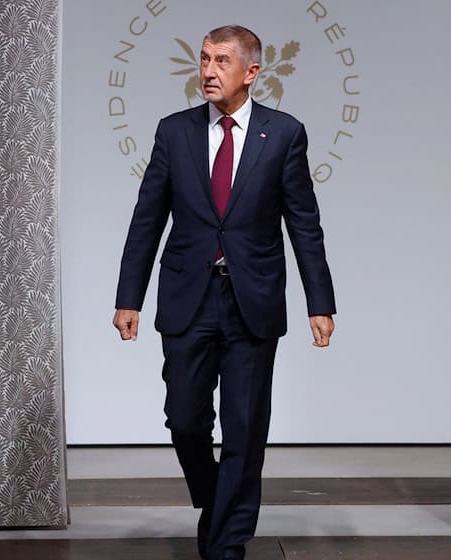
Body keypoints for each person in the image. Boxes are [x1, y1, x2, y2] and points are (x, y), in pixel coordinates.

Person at [112, 24, 336, 560]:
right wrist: (129, 297)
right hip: (188, 299)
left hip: (252, 301)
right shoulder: (175, 131)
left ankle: (226, 544)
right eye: (205, 60)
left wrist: (319, 302)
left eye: (222, 62)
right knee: (185, 418)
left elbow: (304, 224)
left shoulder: (284, 134)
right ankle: (217, 505)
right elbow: (147, 221)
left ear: (252, 72)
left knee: (245, 427)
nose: (208, 71)